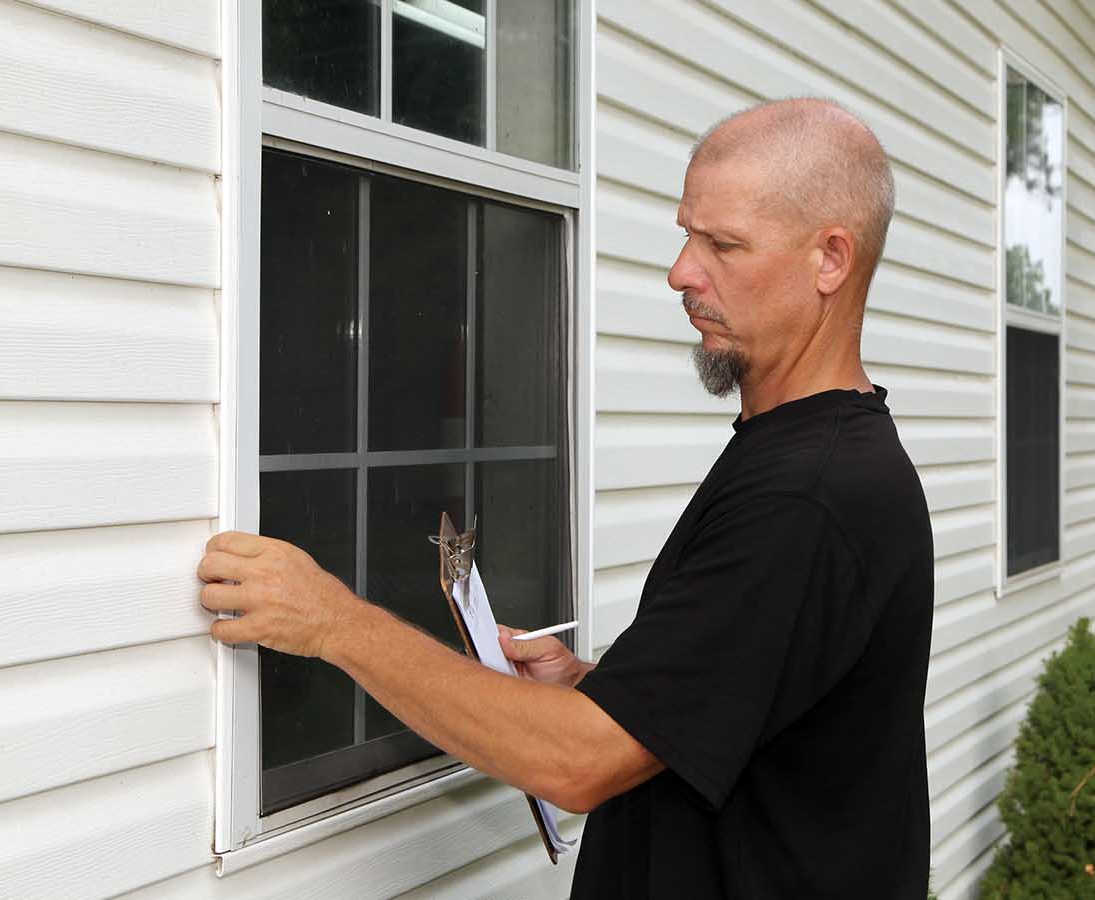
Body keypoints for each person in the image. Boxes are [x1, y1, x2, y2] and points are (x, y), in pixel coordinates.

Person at [199, 97, 935, 898]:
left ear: (831, 260)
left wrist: (332, 622)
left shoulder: (810, 495)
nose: (682, 271)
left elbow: (577, 764)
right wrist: (596, 688)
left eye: (723, 244)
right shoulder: (805, 456)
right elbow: (754, 695)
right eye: (687, 233)